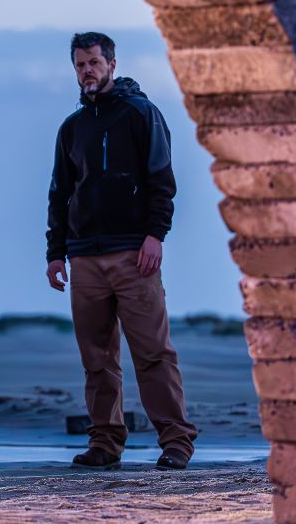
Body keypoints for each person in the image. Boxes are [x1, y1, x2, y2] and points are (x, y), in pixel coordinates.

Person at [45, 32, 198, 471]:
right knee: (97, 358)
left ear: (112, 63)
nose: (86, 71)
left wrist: (155, 235)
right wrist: (56, 252)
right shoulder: (72, 128)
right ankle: (106, 443)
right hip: (84, 256)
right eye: (79, 65)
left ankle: (176, 442)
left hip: (133, 252)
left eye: (93, 62)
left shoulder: (141, 114)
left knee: (153, 353)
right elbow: (59, 193)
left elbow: (162, 180)